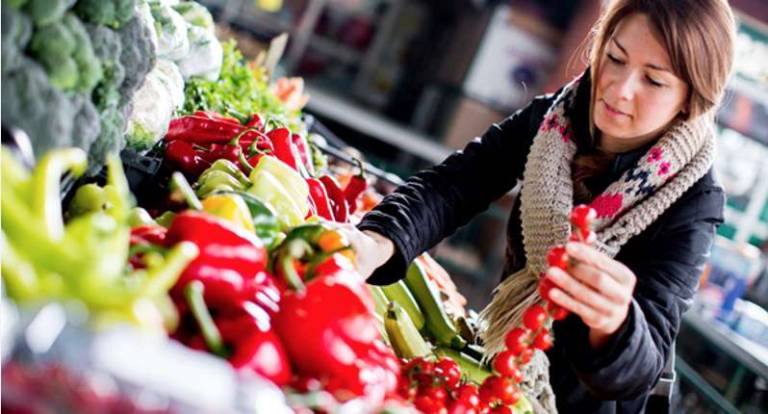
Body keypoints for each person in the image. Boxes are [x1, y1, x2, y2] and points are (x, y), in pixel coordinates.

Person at [340, 0, 737, 412]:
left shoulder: (695, 199)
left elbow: (644, 364)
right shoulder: (553, 121)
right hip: (502, 376)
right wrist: (377, 241)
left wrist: (616, 323)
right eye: (614, 57)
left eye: (653, 81)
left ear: (691, 100)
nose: (620, 88)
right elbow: (454, 186)